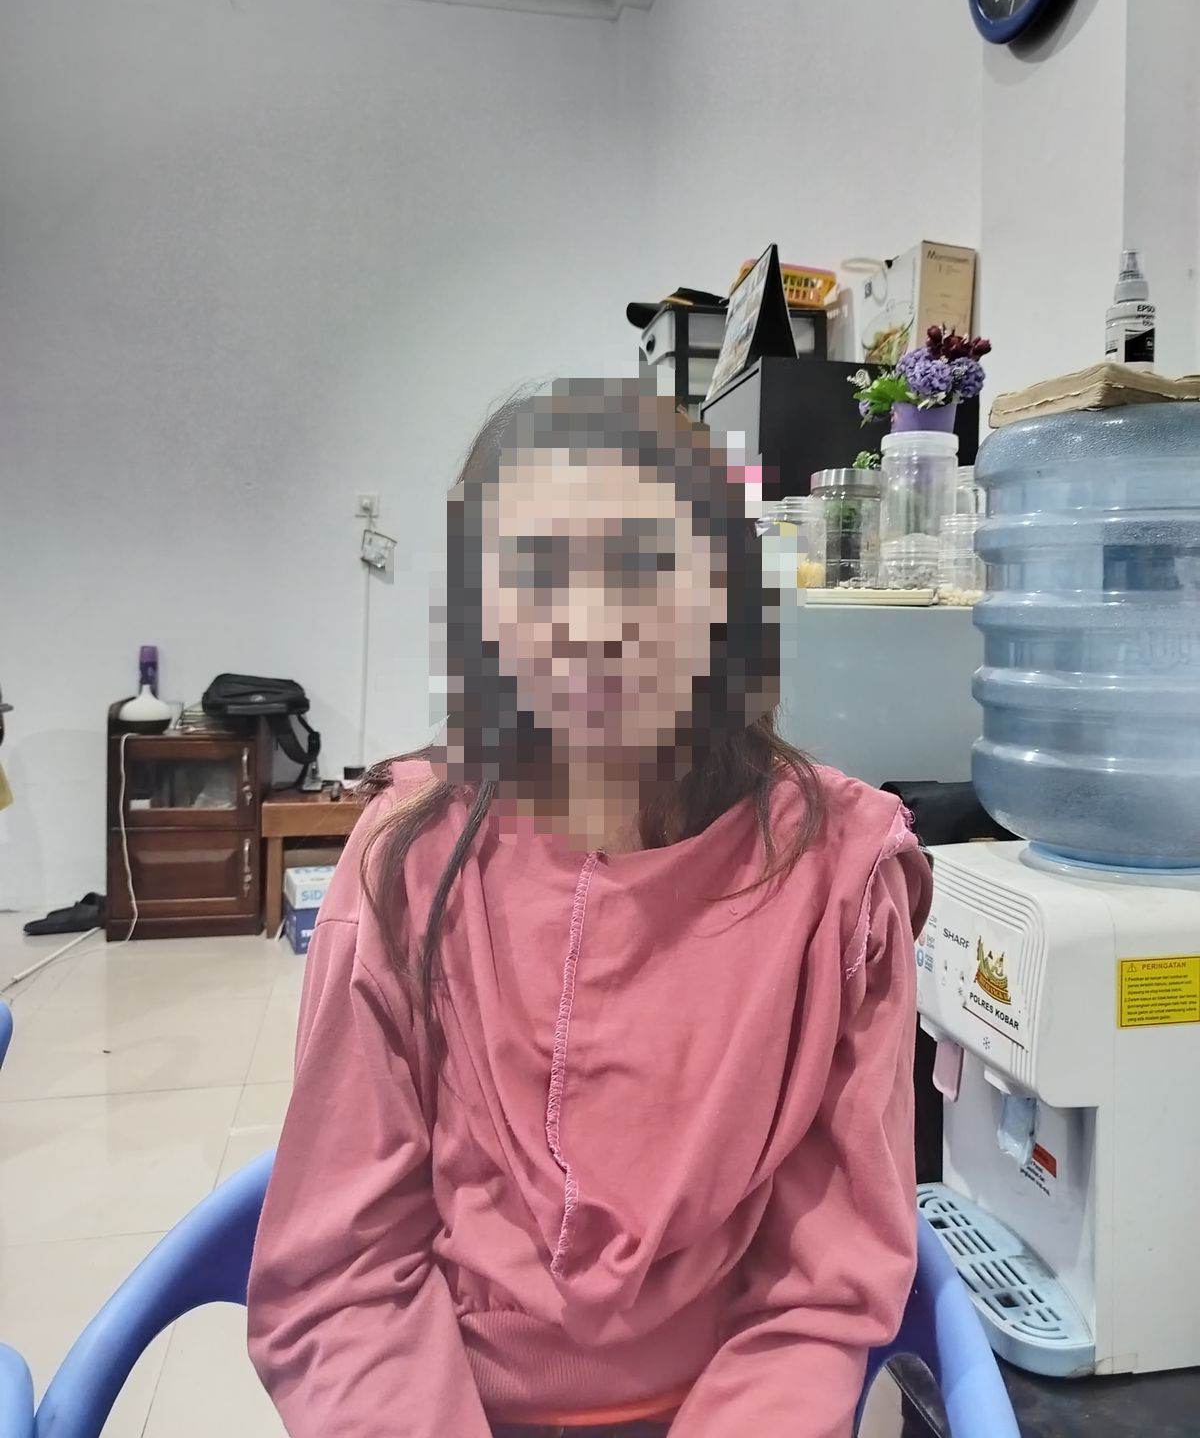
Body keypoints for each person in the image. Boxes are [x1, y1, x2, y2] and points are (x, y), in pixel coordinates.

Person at [248, 378, 932, 1438]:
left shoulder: (837, 881)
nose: (592, 625)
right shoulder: (407, 862)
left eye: (644, 563)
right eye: (536, 571)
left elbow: (820, 1286)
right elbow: (345, 1270)